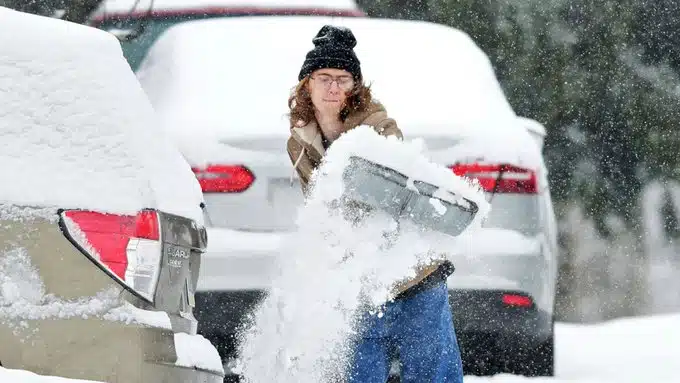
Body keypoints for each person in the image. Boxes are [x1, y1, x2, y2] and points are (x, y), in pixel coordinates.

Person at [286, 24, 464, 383]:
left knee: (432, 374)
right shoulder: (299, 142)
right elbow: (319, 212)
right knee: (359, 374)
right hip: (358, 282)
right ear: (308, 83)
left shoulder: (378, 127)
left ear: (355, 86)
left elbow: (394, 191)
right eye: (324, 77)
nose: (334, 87)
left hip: (415, 275)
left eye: (343, 78)